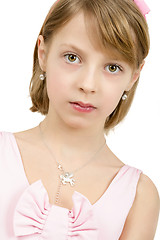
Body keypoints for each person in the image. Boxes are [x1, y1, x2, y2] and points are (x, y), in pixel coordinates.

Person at [0, 0, 159, 239]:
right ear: (43, 54)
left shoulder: (138, 196)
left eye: (112, 67)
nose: (88, 84)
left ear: (133, 77)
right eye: (72, 57)